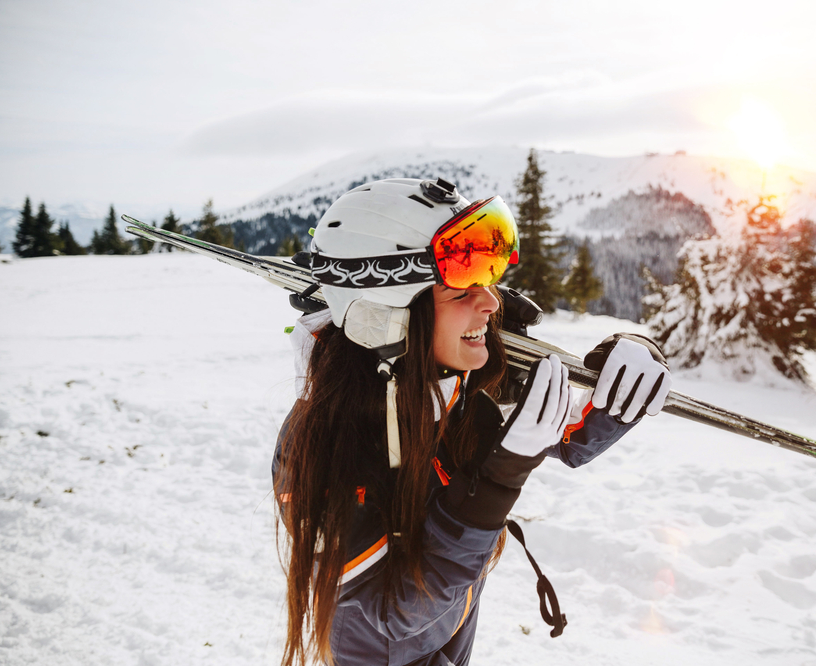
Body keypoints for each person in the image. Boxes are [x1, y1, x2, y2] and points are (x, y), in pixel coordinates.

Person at [272, 178, 672, 666]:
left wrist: (620, 380)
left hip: (452, 631)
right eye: (460, 291)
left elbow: (563, 432)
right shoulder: (317, 447)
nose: (492, 303)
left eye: (487, 282)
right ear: (387, 314)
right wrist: (496, 482)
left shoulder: (452, 383)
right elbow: (394, 611)